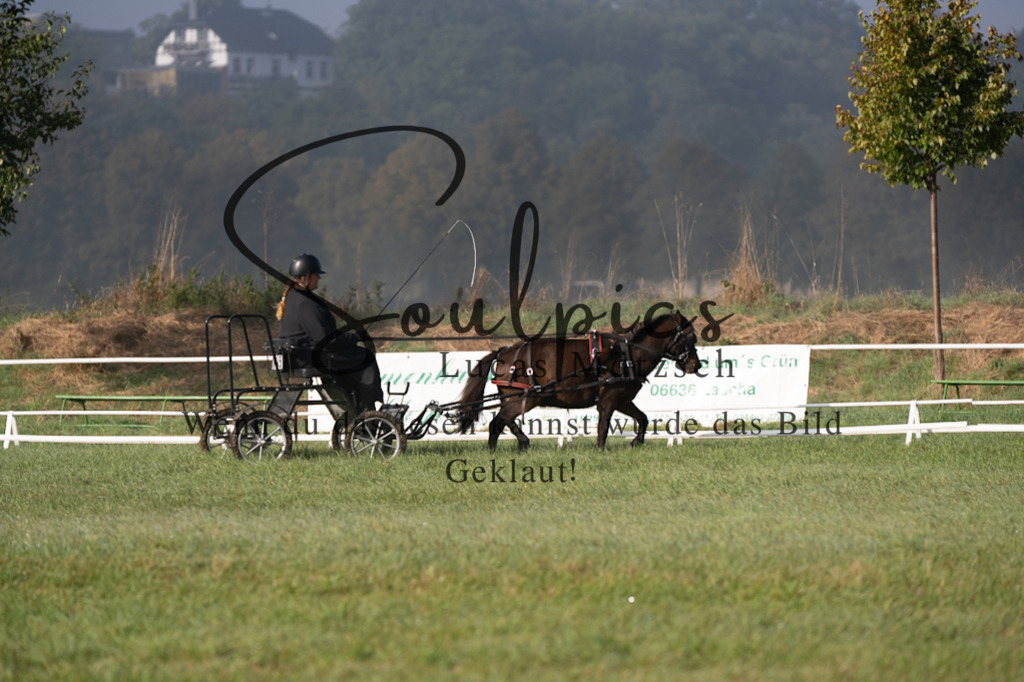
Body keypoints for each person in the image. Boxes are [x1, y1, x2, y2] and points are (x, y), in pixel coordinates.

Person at [276, 253, 383, 415]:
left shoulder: (294, 299)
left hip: (303, 355)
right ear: (305, 277)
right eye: (316, 274)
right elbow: (325, 339)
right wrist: (355, 337)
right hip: (310, 358)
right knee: (366, 358)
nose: (319, 277)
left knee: (353, 361)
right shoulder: (306, 304)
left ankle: (356, 407)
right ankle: (367, 408)